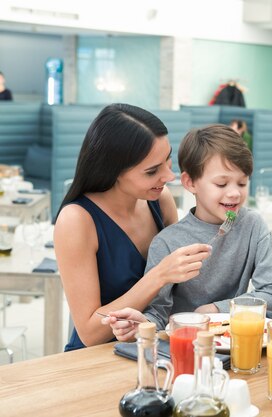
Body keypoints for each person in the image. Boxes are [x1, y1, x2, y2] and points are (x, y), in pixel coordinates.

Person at [55, 103, 211, 351]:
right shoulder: (77, 220)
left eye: (168, 160)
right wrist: (159, 276)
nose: (169, 176)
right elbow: (89, 332)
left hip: (153, 347)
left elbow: (183, 287)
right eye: (152, 171)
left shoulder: (159, 200)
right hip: (96, 358)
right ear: (113, 170)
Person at [106, 124, 272, 338]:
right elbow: (158, 313)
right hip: (184, 345)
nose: (235, 193)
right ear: (190, 183)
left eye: (242, 182)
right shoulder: (166, 243)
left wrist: (216, 309)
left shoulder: (253, 226)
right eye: (221, 184)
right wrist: (143, 325)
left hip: (236, 342)